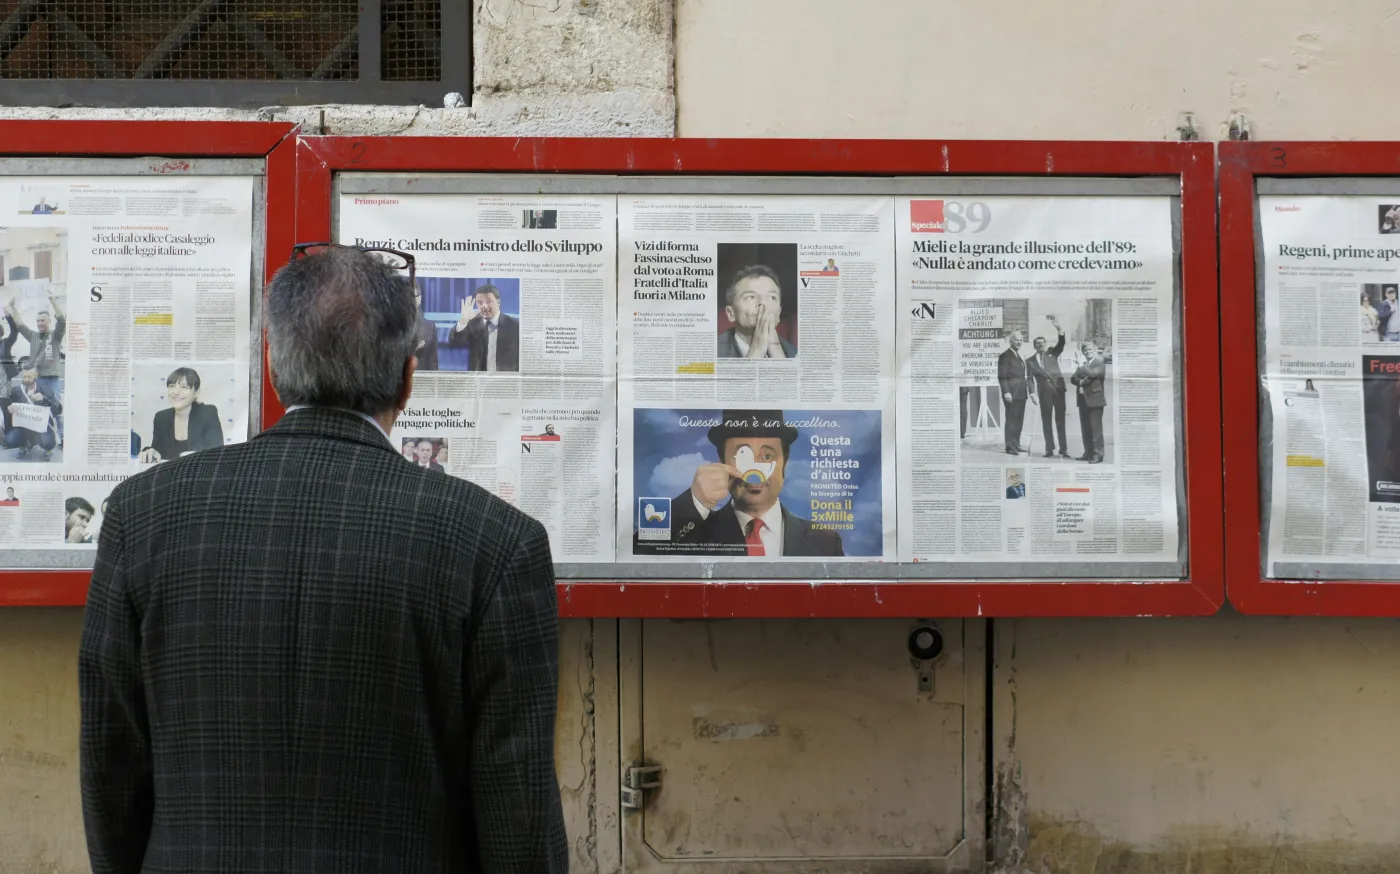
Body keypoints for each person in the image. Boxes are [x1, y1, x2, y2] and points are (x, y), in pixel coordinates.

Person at [79, 245, 566, 873]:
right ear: (408, 379)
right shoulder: (495, 540)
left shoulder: (141, 514)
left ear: (275, 364)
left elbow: (110, 761)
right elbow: (516, 808)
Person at [639, 409, 843, 557]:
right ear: (722, 462)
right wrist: (695, 502)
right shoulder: (693, 534)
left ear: (785, 464)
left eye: (766, 456)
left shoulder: (826, 542)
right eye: (742, 456)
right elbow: (637, 554)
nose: (755, 472)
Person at [7, 291, 64, 444]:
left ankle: (60, 437)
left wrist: (53, 301)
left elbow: (63, 322)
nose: (40, 323)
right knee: (34, 408)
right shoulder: (32, 335)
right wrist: (13, 308)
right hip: (35, 379)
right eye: (38, 321)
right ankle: (34, 439)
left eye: (43, 321)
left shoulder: (56, 335)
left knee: (54, 409)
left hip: (51, 378)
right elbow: (19, 325)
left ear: (49, 321)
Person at [137, 367, 223, 463]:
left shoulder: (207, 413)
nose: (176, 392)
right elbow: (156, 450)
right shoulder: (161, 417)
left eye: (184, 387)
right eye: (172, 386)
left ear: (196, 393)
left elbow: (217, 453)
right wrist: (150, 452)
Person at [717, 265, 797, 359]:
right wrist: (755, 355)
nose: (763, 303)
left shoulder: (795, 354)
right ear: (731, 313)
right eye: (751, 297)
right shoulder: (713, 352)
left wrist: (778, 355)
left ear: (778, 313)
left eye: (772, 297)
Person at [448, 284, 520, 372]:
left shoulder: (514, 325)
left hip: (505, 382)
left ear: (498, 303)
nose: (484, 306)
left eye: (489, 301)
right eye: (480, 302)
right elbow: (454, 344)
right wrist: (463, 321)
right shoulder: (472, 324)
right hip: (477, 381)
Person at [1026, 317, 1071, 458]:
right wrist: (1032, 393)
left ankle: (1063, 449)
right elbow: (1029, 378)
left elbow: (1061, 344)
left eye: (1042, 343)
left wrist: (1059, 328)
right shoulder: (1030, 361)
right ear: (1034, 346)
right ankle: (1049, 448)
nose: (1040, 345)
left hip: (1058, 391)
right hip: (1043, 393)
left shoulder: (1052, 353)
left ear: (1045, 344)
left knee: (1060, 420)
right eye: (1037, 344)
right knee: (1046, 420)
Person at [4, 367, 59, 459]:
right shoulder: (16, 390)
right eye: (24, 377)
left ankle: (48, 448)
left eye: (29, 377)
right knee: (9, 439)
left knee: (47, 441)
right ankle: (23, 445)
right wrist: (9, 409)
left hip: (41, 427)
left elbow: (58, 409)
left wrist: (44, 399)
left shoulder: (45, 389)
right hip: (24, 427)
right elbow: (8, 406)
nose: (26, 380)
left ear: (36, 376)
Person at [1071, 340, 1107, 464]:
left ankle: (1098, 454)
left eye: (1090, 350)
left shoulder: (1099, 363)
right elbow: (1073, 378)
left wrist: (1082, 368)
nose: (1088, 352)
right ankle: (1088, 452)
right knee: (1085, 428)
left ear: (1095, 351)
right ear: (1083, 352)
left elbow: (1092, 374)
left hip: (1095, 400)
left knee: (1095, 429)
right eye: (1085, 350)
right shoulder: (1084, 364)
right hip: (1083, 400)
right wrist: (1081, 381)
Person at [997, 330, 1033, 455]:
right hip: (1011, 394)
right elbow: (1002, 376)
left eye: (1020, 340)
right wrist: (1006, 392)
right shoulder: (1005, 355)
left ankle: (1016, 444)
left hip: (1021, 393)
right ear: (1011, 341)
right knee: (1011, 420)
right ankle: (1010, 446)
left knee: (1019, 420)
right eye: (1016, 340)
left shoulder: (1018, 355)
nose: (1019, 342)